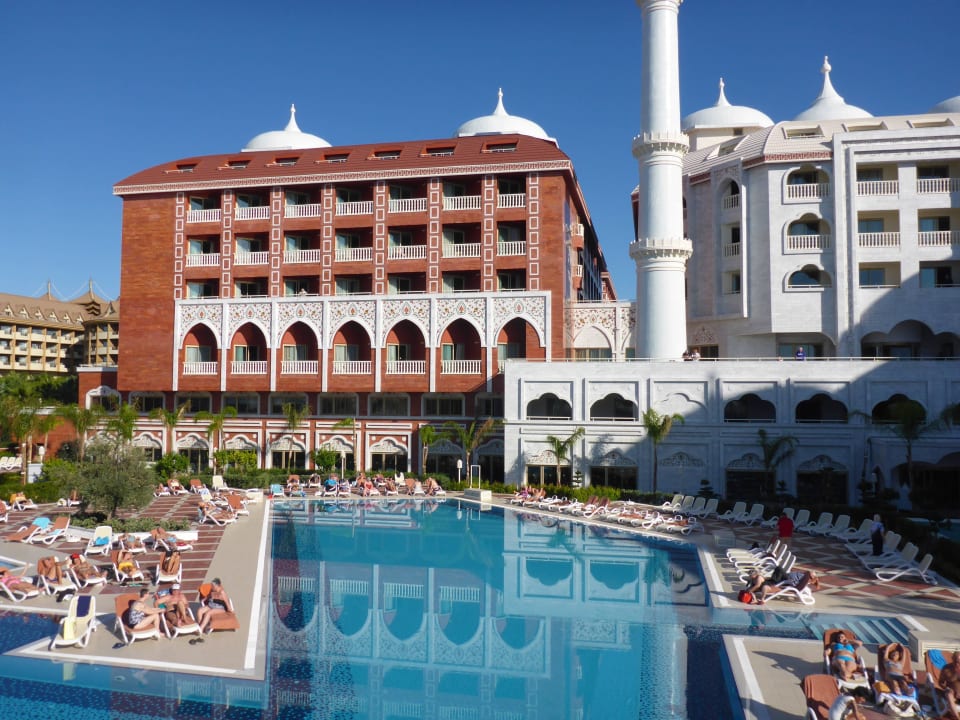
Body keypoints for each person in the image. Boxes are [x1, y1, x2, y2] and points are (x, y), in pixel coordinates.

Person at [939, 651, 960, 720]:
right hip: (952, 692)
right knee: (949, 694)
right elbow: (941, 682)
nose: (958, 663)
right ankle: (957, 717)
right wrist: (947, 688)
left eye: (959, 661)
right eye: (956, 661)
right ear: (952, 659)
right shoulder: (946, 669)